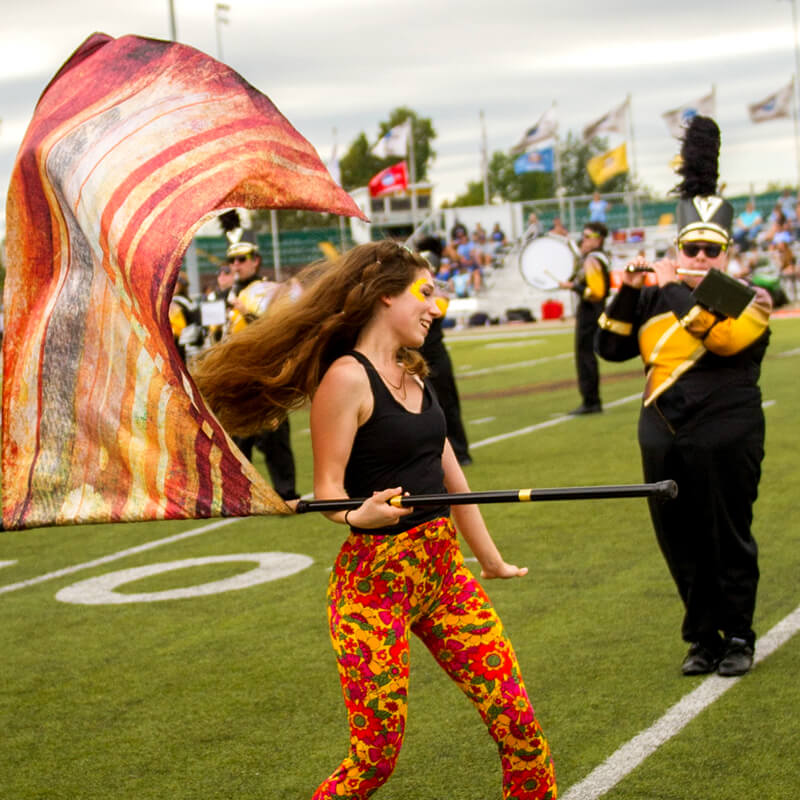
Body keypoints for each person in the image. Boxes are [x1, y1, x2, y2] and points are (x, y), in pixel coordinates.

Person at [192, 240, 557, 800]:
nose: (436, 306)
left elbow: (454, 485)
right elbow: (328, 492)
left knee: (519, 725)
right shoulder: (347, 378)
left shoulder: (414, 373)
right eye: (426, 292)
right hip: (373, 587)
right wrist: (358, 515)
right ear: (387, 294)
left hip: (443, 576)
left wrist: (490, 560)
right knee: (375, 758)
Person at [596, 116, 772, 678]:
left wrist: (671, 281)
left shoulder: (749, 297)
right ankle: (702, 637)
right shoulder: (654, 297)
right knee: (679, 540)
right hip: (662, 432)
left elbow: (716, 335)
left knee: (727, 535)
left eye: (709, 249)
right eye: (690, 247)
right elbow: (609, 347)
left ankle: (740, 634)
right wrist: (628, 289)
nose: (699, 256)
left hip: (728, 431)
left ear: (726, 253)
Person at [224, 234, 299, 502]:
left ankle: (286, 492)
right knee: (236, 436)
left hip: (263, 371)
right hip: (238, 372)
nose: (236, 264)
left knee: (274, 436)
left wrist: (246, 312)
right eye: (232, 260)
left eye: (242, 259)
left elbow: (276, 328)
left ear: (256, 261)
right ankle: (235, 493)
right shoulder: (235, 292)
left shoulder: (269, 291)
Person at [416, 235, 473, 466]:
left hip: (434, 352)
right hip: (421, 352)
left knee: (446, 403)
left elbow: (438, 309)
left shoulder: (437, 287)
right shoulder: (427, 286)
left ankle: (460, 451)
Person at [559, 221, 610, 414]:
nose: (585, 240)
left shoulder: (593, 259)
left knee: (585, 355)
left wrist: (573, 287)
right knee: (586, 355)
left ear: (599, 239)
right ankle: (591, 399)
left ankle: (591, 401)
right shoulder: (595, 257)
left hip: (591, 310)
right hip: (593, 310)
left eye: (589, 236)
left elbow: (596, 292)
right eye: (584, 236)